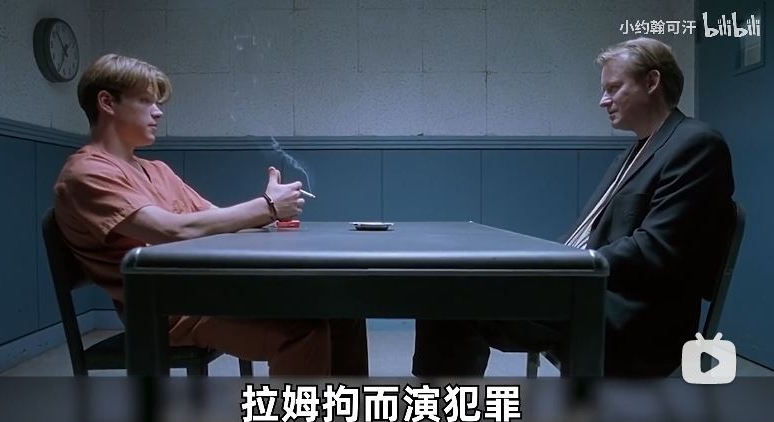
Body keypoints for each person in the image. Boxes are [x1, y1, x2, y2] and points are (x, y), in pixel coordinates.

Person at [413, 37, 735, 377]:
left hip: (627, 313)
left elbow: (654, 249)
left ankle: (446, 407)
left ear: (652, 82)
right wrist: (542, 264)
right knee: (447, 289)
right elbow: (584, 238)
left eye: (613, 88)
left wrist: (564, 270)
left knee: (449, 298)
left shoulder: (696, 144)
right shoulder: (637, 152)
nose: (603, 100)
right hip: (584, 290)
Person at [53, 54, 368, 376]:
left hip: (208, 290)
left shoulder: (156, 170)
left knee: (343, 311)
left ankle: (350, 409)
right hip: (167, 309)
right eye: (146, 101)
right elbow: (170, 230)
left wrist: (268, 214)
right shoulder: (86, 173)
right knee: (303, 332)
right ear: (107, 102)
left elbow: (216, 218)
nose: (158, 112)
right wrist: (266, 206)